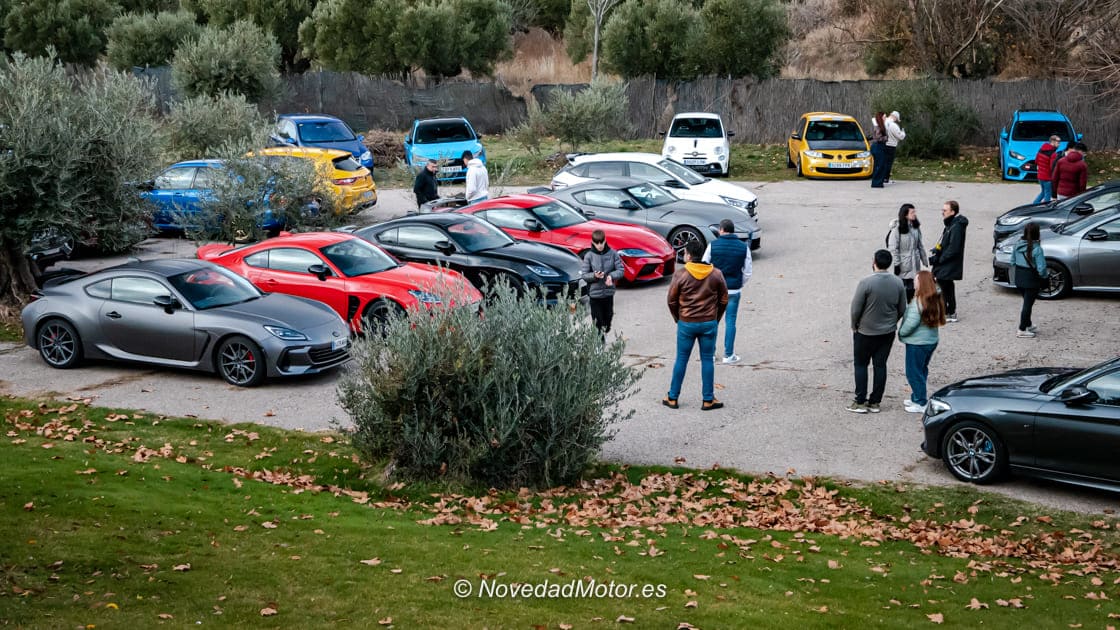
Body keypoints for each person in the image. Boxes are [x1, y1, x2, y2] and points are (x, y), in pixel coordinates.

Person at [664, 240, 729, 411]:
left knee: (682, 359)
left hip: (686, 323)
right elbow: (724, 299)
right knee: (707, 359)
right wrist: (716, 318)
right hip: (708, 323)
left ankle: (672, 397)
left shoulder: (681, 274)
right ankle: (708, 399)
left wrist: (677, 317)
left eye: (685, 253)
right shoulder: (716, 274)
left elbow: (671, 300)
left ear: (689, 255)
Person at [847, 249, 907, 414]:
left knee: (861, 364)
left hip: (865, 331)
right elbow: (902, 308)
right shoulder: (897, 282)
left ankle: (860, 401)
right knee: (880, 365)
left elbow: (855, 309)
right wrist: (891, 322)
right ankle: (875, 402)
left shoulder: (866, 283)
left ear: (874, 261)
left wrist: (854, 325)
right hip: (887, 332)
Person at [702, 219, 752, 364]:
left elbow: (705, 266)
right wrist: (739, 283)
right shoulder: (743, 247)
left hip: (715, 290)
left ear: (721, 230)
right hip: (734, 290)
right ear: (733, 230)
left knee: (713, 322)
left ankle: (710, 354)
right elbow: (748, 271)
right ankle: (728, 355)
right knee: (731, 322)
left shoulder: (713, 246)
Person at [898, 270, 946, 413]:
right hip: (930, 340)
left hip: (917, 342)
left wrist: (901, 332)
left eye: (916, 281)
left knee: (913, 372)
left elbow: (911, 324)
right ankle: (917, 396)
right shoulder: (934, 298)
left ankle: (920, 401)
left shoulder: (919, 302)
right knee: (921, 370)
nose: (914, 283)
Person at [581, 230, 624, 341]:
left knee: (608, 317)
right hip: (594, 295)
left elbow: (621, 270)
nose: (600, 245)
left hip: (608, 293)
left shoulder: (613, 253)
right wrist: (594, 276)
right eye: (597, 243)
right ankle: (599, 342)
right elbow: (584, 275)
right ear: (593, 242)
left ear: (605, 240)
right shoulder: (589, 256)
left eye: (602, 242)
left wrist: (611, 276)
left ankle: (605, 330)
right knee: (597, 320)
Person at [930, 200, 968, 323]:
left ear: (953, 212)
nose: (942, 212)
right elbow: (945, 242)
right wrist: (937, 249)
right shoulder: (951, 224)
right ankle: (950, 312)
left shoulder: (956, 226)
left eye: (945, 210)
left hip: (948, 263)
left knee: (942, 287)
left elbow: (953, 248)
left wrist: (940, 259)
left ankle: (946, 312)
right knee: (948, 287)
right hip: (946, 262)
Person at [1011, 222, 1047, 338]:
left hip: (1019, 278)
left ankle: (1028, 324)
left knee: (1027, 302)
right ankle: (1021, 329)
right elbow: (1041, 268)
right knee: (1027, 304)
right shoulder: (1037, 249)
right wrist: (1044, 277)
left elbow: (1012, 261)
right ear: (1037, 234)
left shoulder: (1017, 245)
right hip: (1031, 280)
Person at [887, 203, 928, 301]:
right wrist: (897, 264)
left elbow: (920, 245)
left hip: (915, 262)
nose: (915, 214)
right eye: (912, 212)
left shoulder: (915, 227)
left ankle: (911, 309)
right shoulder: (897, 230)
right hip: (903, 264)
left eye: (915, 212)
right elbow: (893, 248)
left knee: (914, 288)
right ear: (905, 214)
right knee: (904, 289)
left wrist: (924, 259)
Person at [1032, 135, 1060, 205]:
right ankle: (1045, 208)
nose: (1059, 144)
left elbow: (1036, 161)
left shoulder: (1041, 150)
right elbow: (1052, 167)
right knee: (1048, 193)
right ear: (1052, 142)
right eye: (1058, 142)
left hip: (1040, 176)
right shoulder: (1053, 154)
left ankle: (1034, 205)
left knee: (1043, 192)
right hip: (1048, 177)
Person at [883, 111, 906, 185]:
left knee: (883, 162)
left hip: (883, 144)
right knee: (888, 163)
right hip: (891, 145)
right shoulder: (893, 125)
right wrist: (903, 132)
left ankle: (881, 177)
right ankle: (886, 179)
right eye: (897, 119)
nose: (896, 120)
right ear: (895, 117)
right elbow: (900, 137)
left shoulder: (883, 122)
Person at [869, 111, 889, 188]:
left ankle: (878, 182)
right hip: (878, 146)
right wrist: (886, 138)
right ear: (881, 117)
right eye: (884, 116)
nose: (885, 118)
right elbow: (878, 138)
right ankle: (876, 183)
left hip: (878, 147)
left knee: (879, 165)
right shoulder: (878, 127)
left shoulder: (880, 126)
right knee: (880, 165)